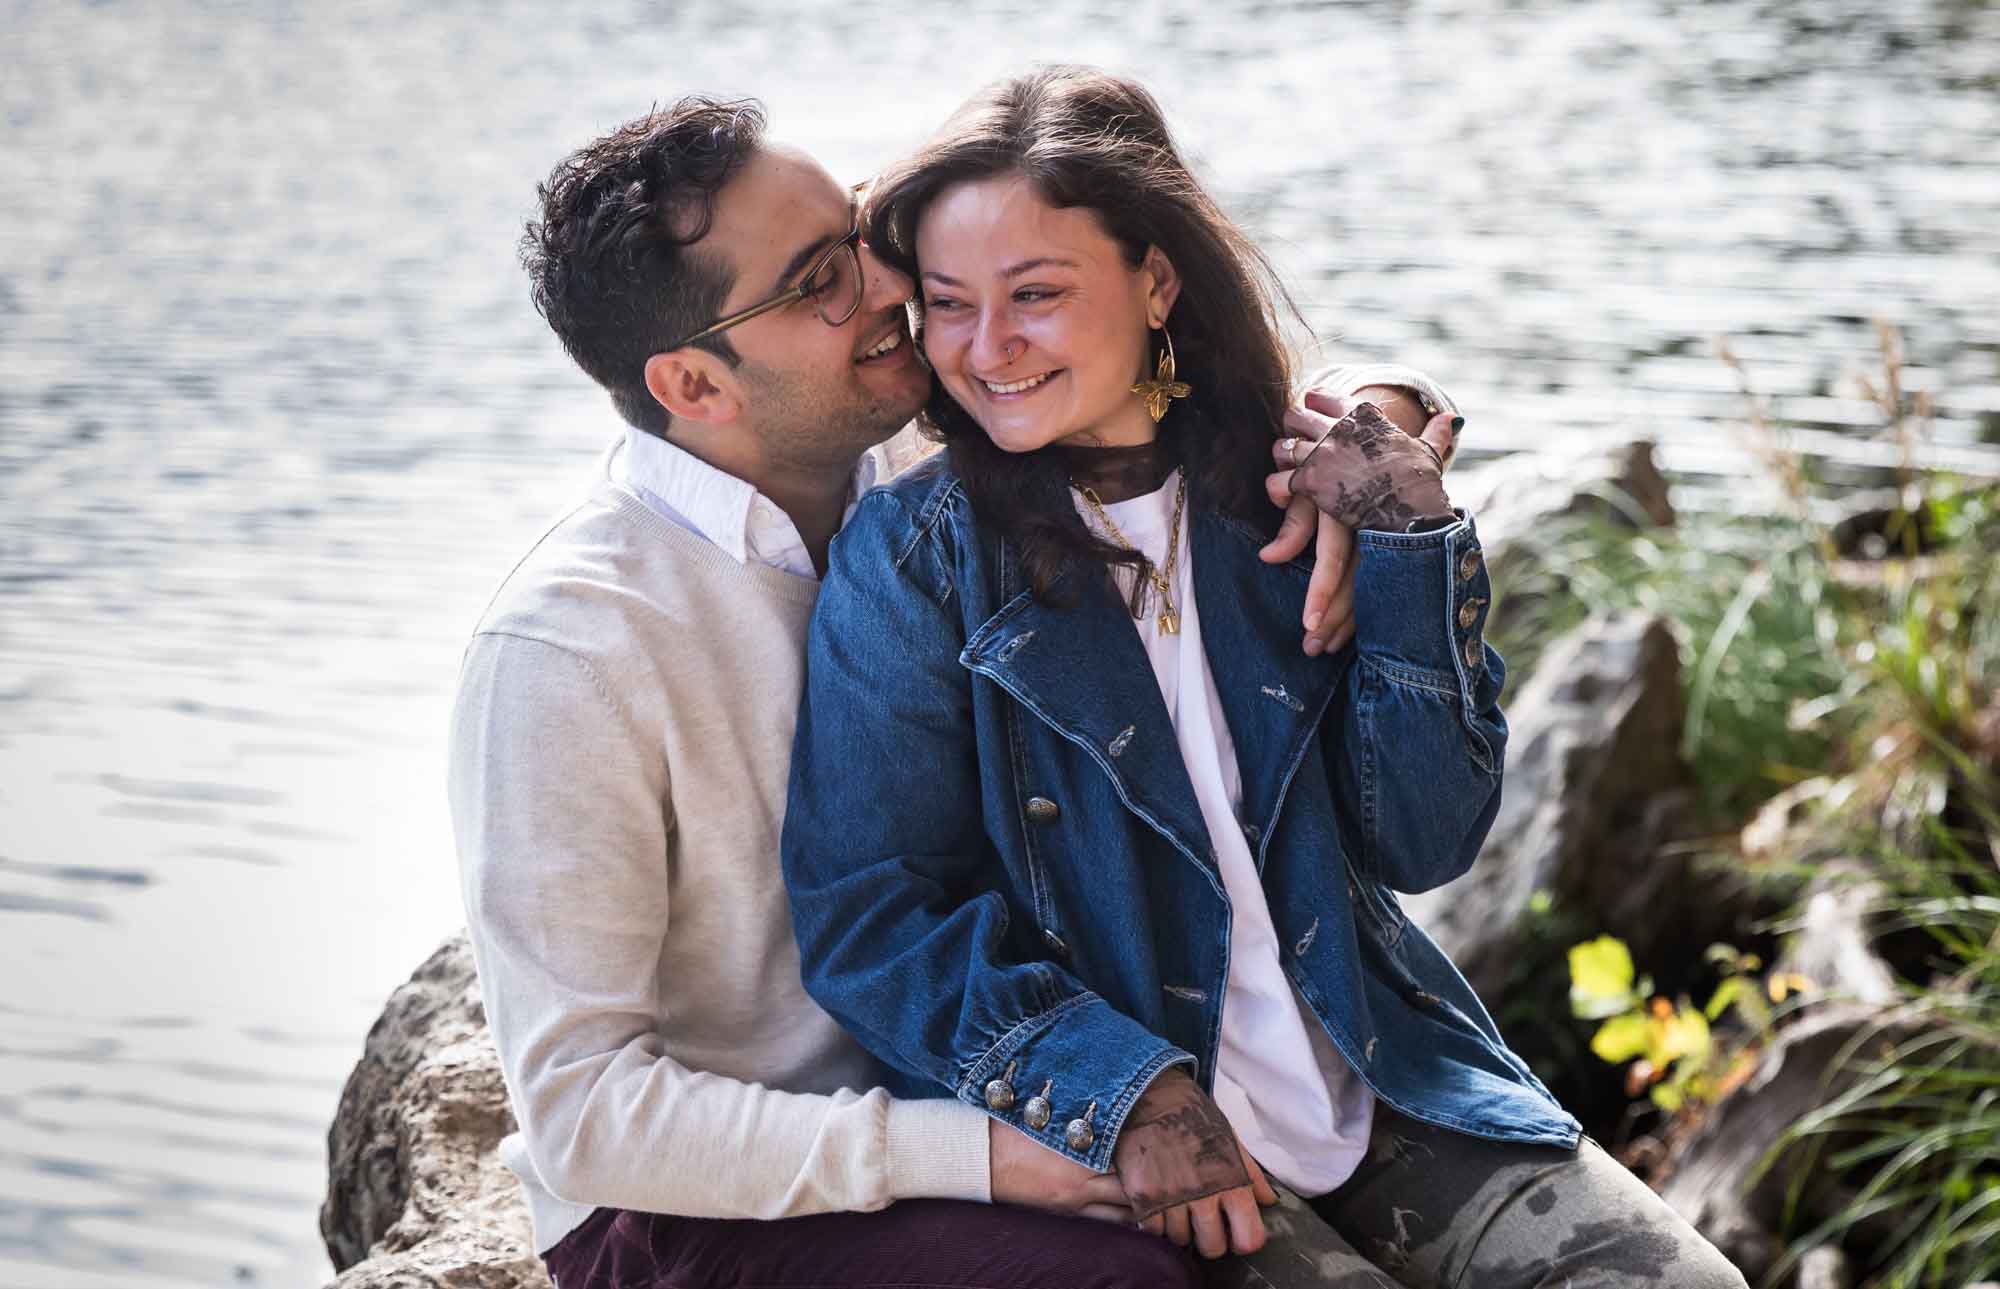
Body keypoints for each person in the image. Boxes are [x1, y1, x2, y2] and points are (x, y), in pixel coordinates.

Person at [448, 93, 1439, 1289]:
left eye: (862, 232)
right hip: (710, 1201)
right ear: (694, 385)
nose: (888, 286)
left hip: (988, 1067)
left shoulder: (929, 456)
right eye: (819, 279)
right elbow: (586, 1118)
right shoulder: (572, 650)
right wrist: (982, 1154)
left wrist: (1369, 415)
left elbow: (1155, 360)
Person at [780, 67, 1750, 1288]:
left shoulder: (1285, 497)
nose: (987, 348)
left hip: (1383, 1068)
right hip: (1137, 1120)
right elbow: (873, 911)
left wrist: (1405, 541)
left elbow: (1424, 842)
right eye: (948, 304)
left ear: (1155, 279)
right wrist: (1127, 1095)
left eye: (1035, 294)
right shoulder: (913, 560)